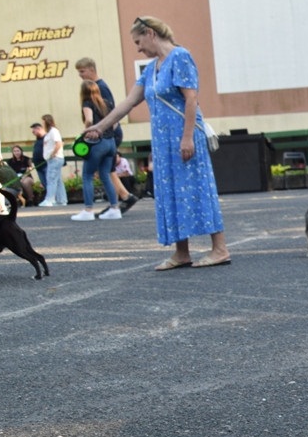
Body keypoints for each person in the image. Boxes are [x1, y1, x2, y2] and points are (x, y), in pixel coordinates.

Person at [84, 16, 229, 269]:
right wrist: (99, 127)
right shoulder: (150, 70)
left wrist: (186, 138)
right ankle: (181, 252)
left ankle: (219, 249)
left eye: (138, 41)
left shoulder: (180, 56)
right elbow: (128, 103)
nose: (138, 48)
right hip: (163, 142)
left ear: (151, 33)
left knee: (197, 187)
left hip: (184, 136)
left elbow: (191, 99)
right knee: (170, 192)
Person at [76, 57, 139, 215]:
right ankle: (119, 201)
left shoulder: (99, 88)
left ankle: (116, 201)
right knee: (106, 170)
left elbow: (110, 115)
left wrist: (93, 131)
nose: (80, 75)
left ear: (91, 69)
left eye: (82, 71)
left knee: (98, 172)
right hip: (108, 135)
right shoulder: (100, 87)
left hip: (104, 134)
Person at [72, 80, 122, 221]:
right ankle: (114, 208)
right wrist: (107, 132)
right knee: (105, 175)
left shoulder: (87, 103)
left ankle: (88, 210)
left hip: (97, 143)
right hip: (110, 142)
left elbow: (89, 119)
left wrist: (87, 131)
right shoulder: (106, 103)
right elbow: (115, 122)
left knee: (87, 175)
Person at [38, 114, 67, 207]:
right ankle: (62, 199)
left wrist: (52, 154)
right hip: (52, 159)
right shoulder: (49, 133)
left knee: (51, 179)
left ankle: (49, 199)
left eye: (43, 121)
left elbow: (58, 143)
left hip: (54, 159)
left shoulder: (54, 131)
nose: (42, 123)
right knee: (57, 180)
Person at [30, 122, 48, 190]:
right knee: (44, 183)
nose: (33, 133)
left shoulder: (47, 137)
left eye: (34, 131)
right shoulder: (38, 140)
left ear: (39, 129)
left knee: (49, 183)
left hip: (45, 164)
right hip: (38, 166)